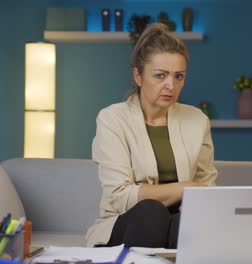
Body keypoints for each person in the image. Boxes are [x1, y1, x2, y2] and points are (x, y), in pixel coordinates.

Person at [85, 23, 218, 249]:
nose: (170, 85)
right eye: (160, 76)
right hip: (130, 223)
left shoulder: (197, 120)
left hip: (178, 223)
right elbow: (120, 196)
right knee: (151, 212)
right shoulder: (111, 119)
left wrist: (199, 202)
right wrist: (186, 188)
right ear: (138, 76)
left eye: (179, 77)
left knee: (187, 222)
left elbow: (207, 187)